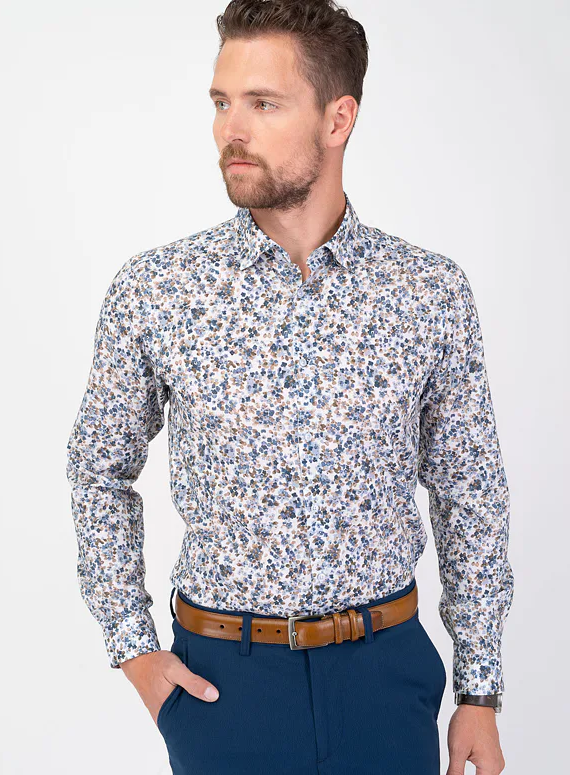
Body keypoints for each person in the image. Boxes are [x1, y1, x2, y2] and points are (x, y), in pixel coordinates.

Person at [65, 1, 514, 773]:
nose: (230, 129)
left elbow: (468, 488)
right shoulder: (157, 290)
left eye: (262, 103)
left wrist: (478, 687)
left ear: (338, 119)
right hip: (223, 684)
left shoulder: (427, 292)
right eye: (221, 102)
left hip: (384, 676)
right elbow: (96, 467)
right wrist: (132, 645)